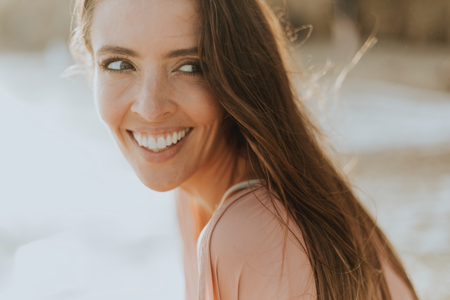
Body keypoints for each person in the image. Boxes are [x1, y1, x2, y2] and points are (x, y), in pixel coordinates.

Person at [69, 0, 419, 299]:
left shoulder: (250, 232)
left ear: (240, 73)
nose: (150, 106)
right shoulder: (195, 196)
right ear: (90, 66)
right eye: (118, 64)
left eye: (191, 66)